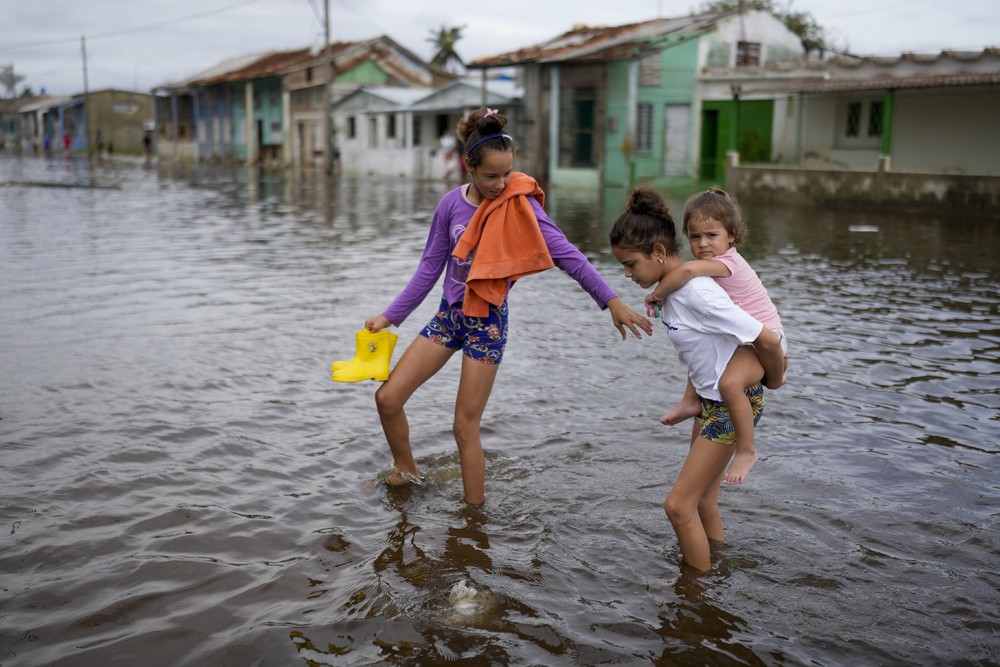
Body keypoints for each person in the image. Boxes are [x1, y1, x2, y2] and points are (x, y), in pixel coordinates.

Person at [363, 107, 652, 505]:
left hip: (488, 323)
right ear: (468, 167)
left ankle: (473, 519)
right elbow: (428, 270)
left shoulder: (521, 205)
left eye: (506, 174)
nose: (501, 184)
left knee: (464, 426)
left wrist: (612, 300)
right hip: (450, 316)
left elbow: (567, 254)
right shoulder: (450, 206)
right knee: (388, 398)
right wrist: (389, 316)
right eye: (490, 176)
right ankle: (407, 470)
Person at [609, 186, 784, 573]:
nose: (626, 274)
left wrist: (776, 377)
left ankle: (696, 597)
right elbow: (702, 352)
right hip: (711, 401)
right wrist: (692, 398)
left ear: (657, 253)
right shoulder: (673, 292)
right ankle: (716, 567)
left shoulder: (699, 294)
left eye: (631, 264)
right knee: (703, 500)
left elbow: (766, 337)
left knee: (677, 505)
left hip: (731, 405)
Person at [644, 187, 787, 485]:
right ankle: (690, 400)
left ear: (731, 235)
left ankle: (747, 450)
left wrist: (656, 295)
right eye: (695, 237)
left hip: (765, 338)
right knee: (701, 345)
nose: (703, 244)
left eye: (712, 235)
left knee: (729, 382)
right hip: (745, 337)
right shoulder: (715, 265)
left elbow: (686, 271)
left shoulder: (729, 262)